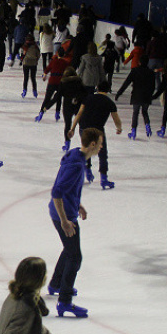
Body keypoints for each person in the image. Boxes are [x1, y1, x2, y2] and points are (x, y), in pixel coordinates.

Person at [47, 127, 104, 318]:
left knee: (69, 249)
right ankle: (64, 301)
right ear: (93, 144)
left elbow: (68, 188)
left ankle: (56, 284)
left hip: (65, 211)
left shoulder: (75, 155)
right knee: (75, 257)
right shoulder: (77, 165)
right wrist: (65, 220)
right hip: (63, 215)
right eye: (101, 143)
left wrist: (78, 204)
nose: (102, 147)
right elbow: (56, 192)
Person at [68, 81, 122, 189]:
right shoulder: (110, 103)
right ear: (108, 89)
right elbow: (116, 119)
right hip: (98, 131)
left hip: (84, 128)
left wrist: (72, 128)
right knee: (102, 153)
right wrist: (119, 128)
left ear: (97, 88)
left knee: (86, 150)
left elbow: (79, 113)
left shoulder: (88, 98)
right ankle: (103, 179)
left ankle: (87, 170)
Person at [116, 62, 155, 139]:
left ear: (140, 62)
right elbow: (153, 85)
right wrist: (151, 95)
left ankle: (133, 132)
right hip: (146, 96)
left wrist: (119, 93)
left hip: (137, 95)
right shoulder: (151, 72)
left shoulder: (135, 71)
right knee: (145, 112)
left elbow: (126, 83)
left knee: (135, 113)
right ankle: (147, 127)